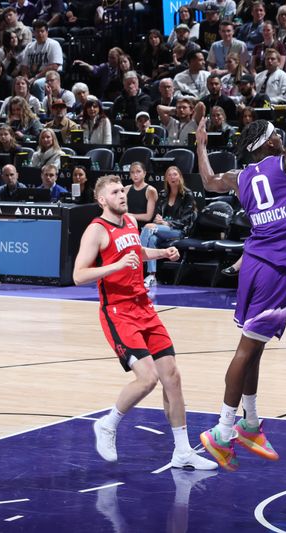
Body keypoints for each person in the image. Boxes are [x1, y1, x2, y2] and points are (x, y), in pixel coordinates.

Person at [193, 23, 286, 471]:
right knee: (248, 349)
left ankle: (249, 421)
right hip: (277, 268)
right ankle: (224, 430)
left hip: (255, 263)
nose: (282, 134)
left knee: (255, 344)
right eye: (276, 132)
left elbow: (209, 180)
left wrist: (200, 144)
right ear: (269, 141)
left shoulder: (242, 178)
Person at [72, 174, 216, 471]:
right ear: (102, 200)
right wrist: (116, 265)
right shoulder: (96, 231)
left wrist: (162, 252)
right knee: (147, 378)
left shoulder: (130, 222)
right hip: (118, 312)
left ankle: (182, 451)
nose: (122, 195)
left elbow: (136, 253)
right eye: (115, 192)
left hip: (144, 308)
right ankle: (108, 424)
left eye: (122, 190)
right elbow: (79, 275)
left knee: (172, 378)